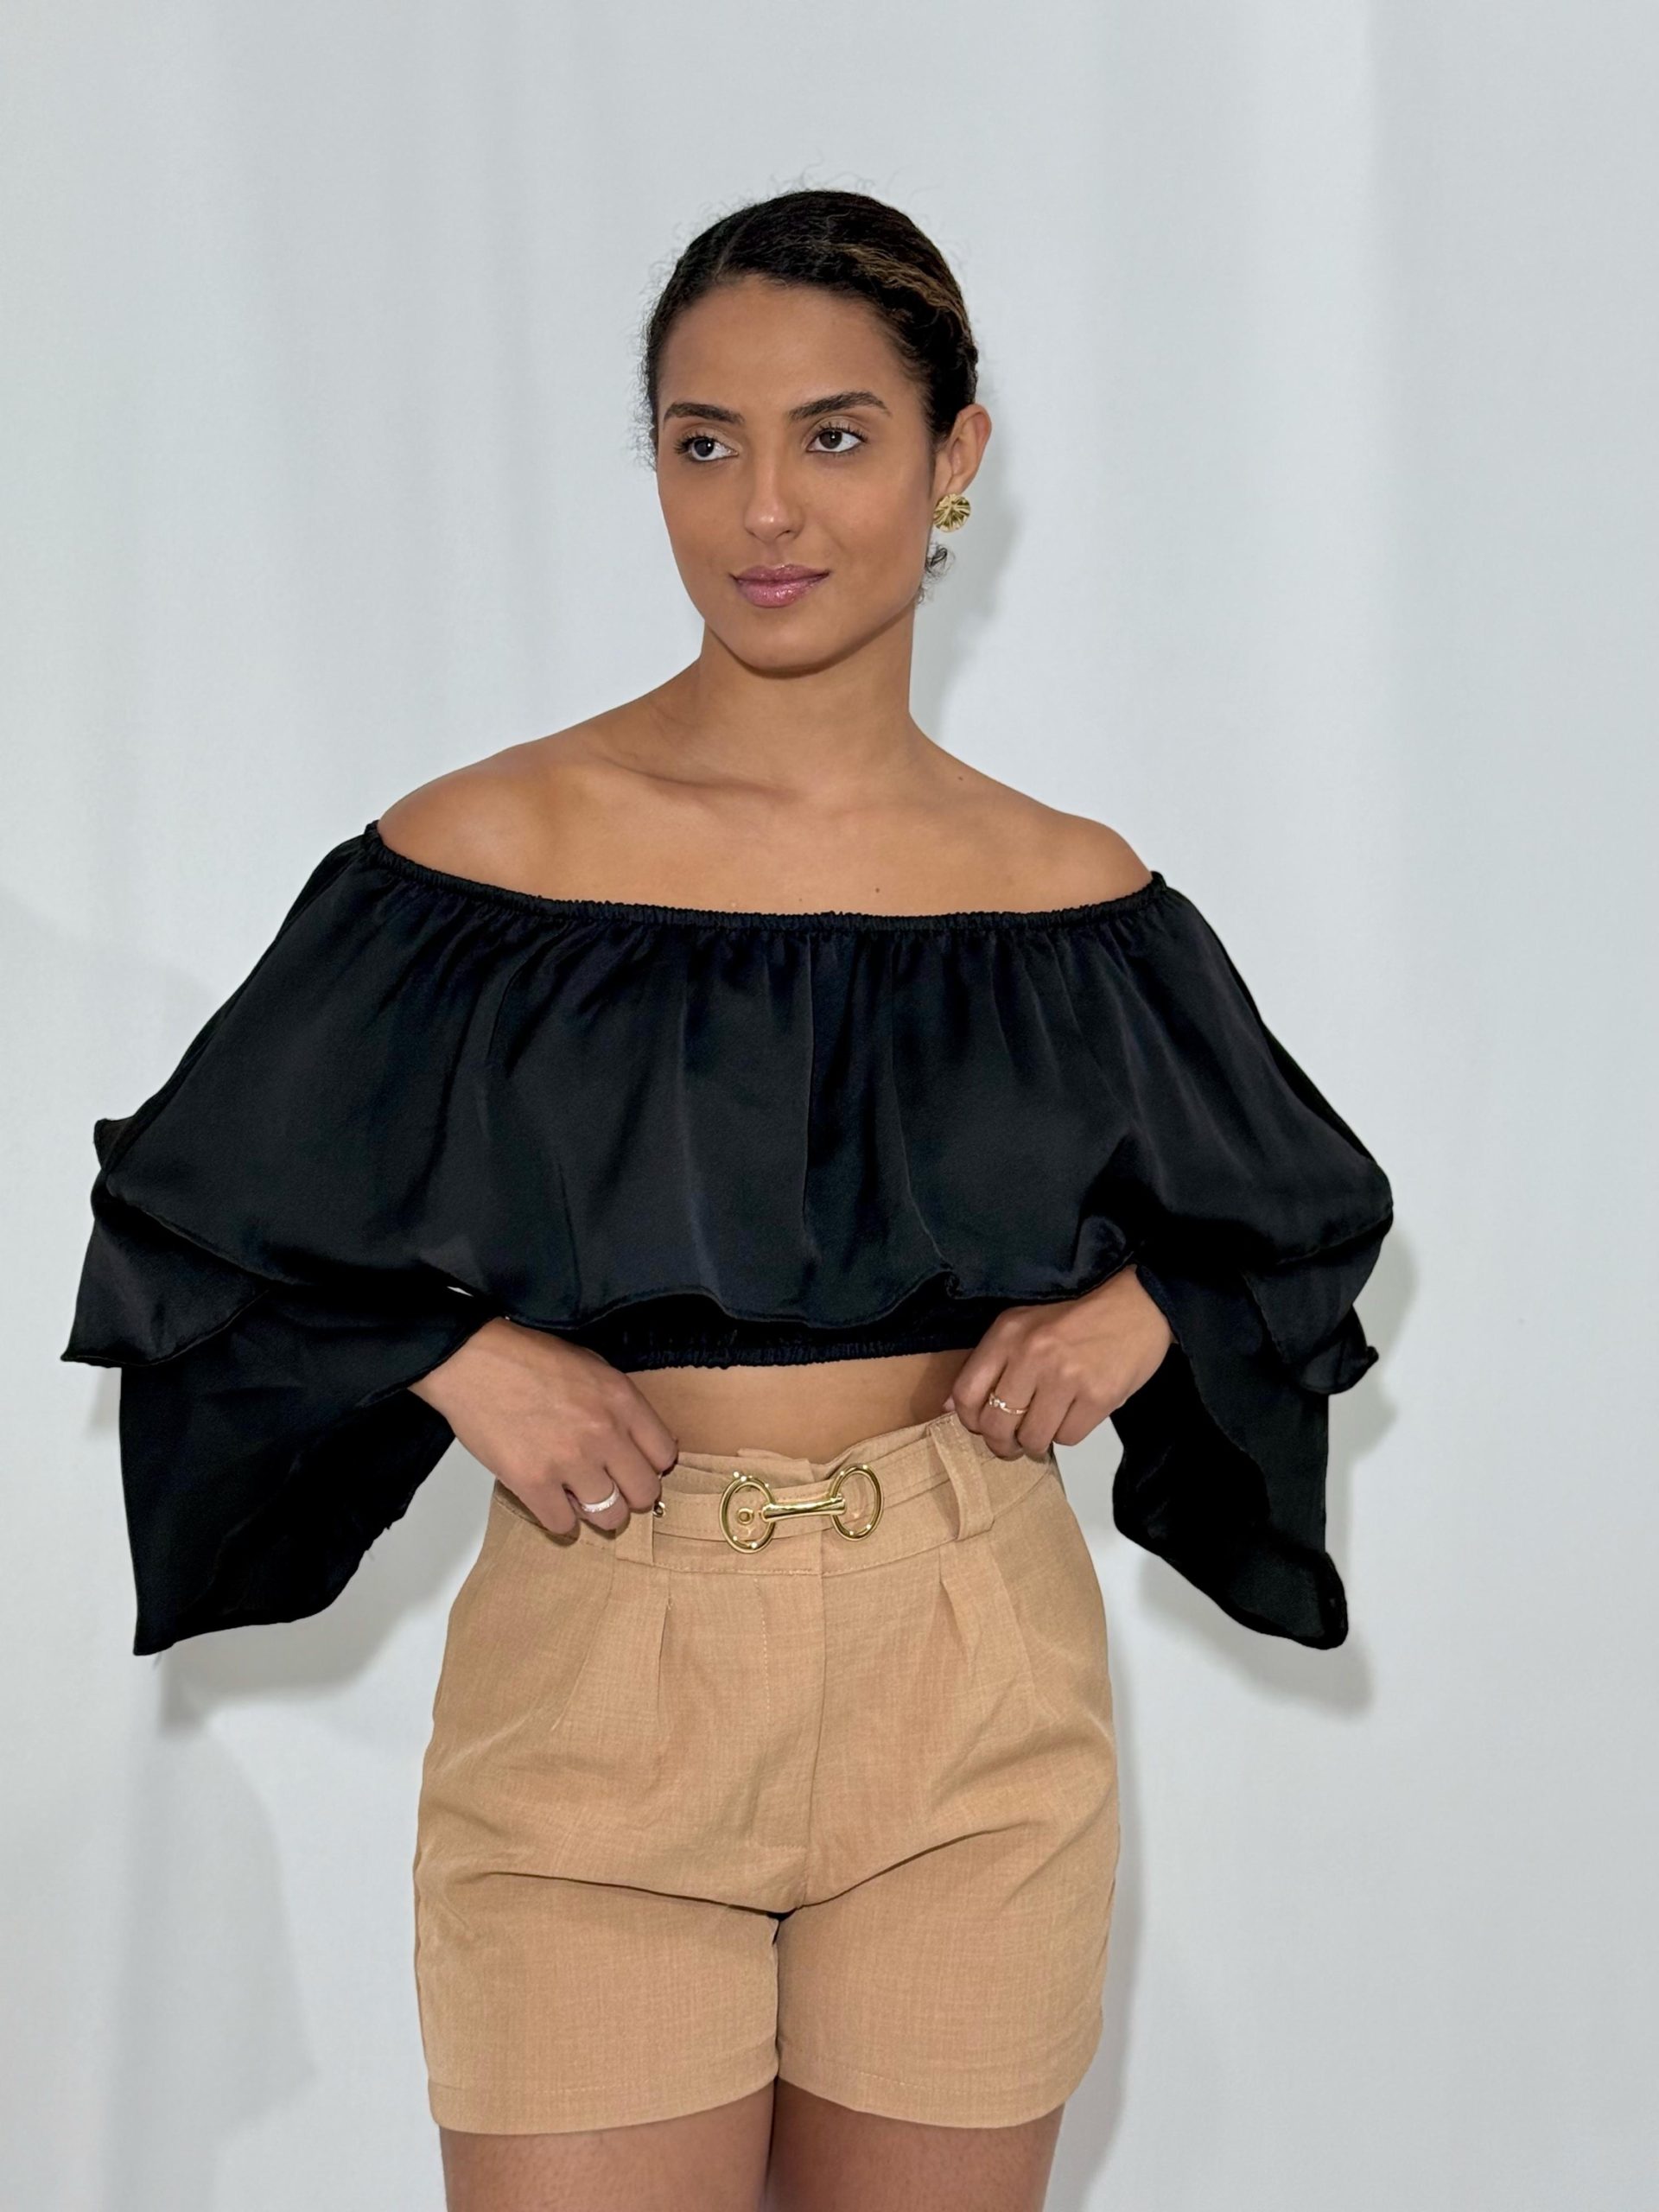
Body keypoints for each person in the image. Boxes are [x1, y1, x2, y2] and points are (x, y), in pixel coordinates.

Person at [61, 188, 1394, 2212]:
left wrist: (1148, 1308)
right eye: (705, 442)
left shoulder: (1070, 894)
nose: (764, 507)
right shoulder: (483, 855)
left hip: (971, 1672)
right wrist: (450, 1351)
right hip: (602, 1666)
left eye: (834, 436)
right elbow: (192, 1208)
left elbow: (1299, 1210)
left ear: (954, 456)